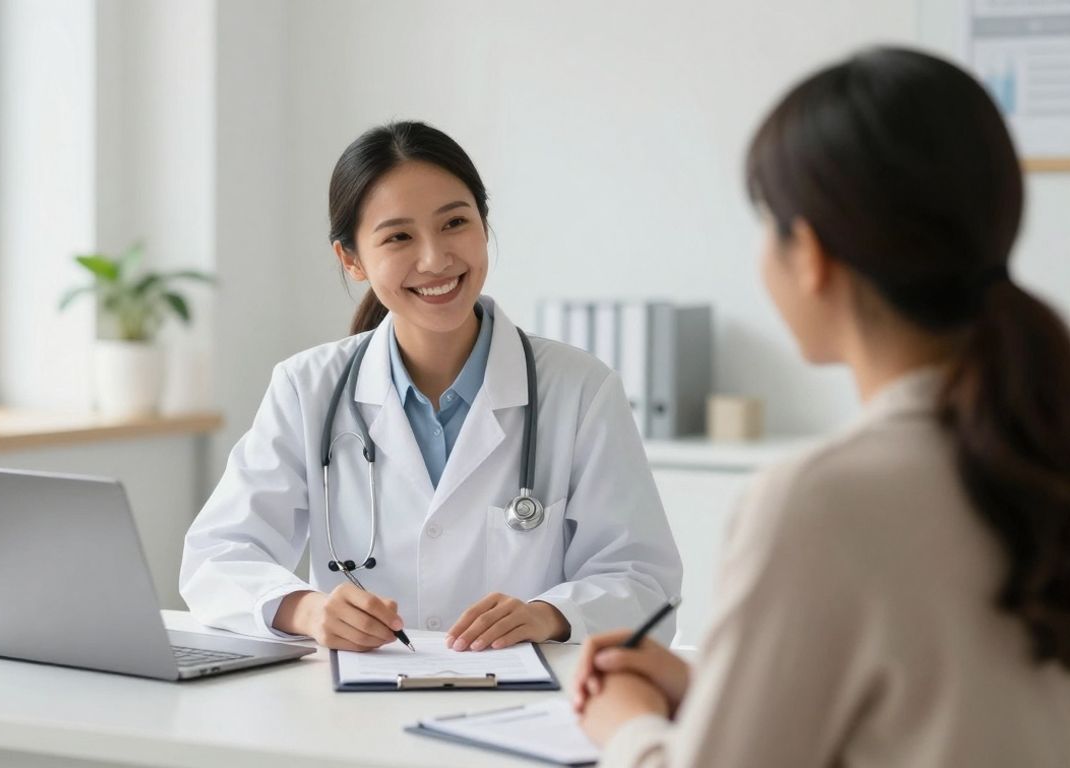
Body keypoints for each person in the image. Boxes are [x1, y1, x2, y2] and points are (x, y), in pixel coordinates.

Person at [574, 47, 1070, 766]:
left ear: (807, 252)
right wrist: (712, 685)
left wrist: (627, 726)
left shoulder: (819, 501)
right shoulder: (1040, 437)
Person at [181, 121, 681, 652]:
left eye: (455, 223)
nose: (434, 259)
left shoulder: (581, 390)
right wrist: (308, 610)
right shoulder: (307, 389)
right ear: (351, 259)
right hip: (352, 707)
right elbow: (217, 558)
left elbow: (644, 581)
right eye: (399, 236)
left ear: (483, 225)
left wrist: (550, 616)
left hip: (525, 705)